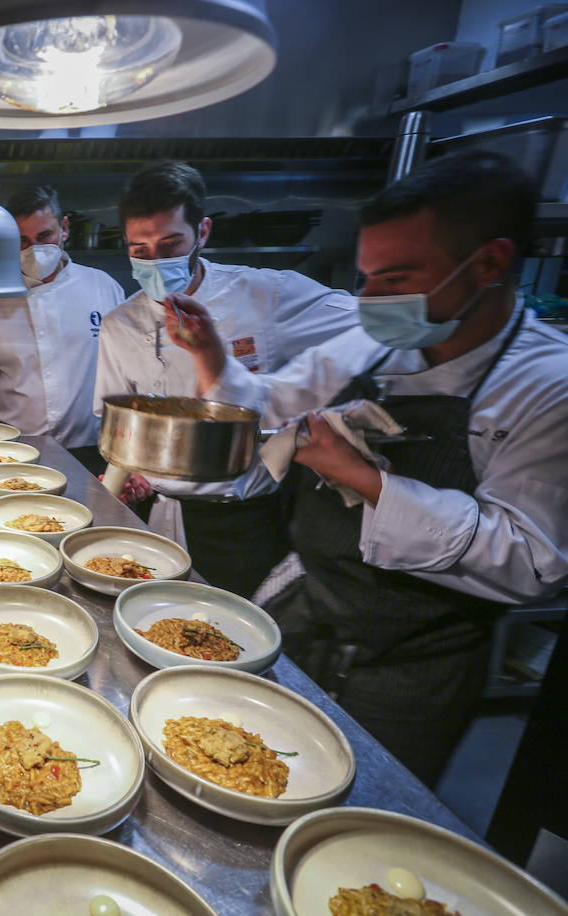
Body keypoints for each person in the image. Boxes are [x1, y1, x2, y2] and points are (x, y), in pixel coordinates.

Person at [162, 150, 568, 784]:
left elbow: (531, 561)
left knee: (367, 804)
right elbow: (271, 404)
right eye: (367, 277)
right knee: (254, 771)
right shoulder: (376, 339)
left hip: (413, 663)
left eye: (396, 279)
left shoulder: (547, 386)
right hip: (308, 607)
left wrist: (364, 477)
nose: (372, 299)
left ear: (489, 263)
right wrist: (212, 357)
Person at [93, 161, 357, 598]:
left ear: (204, 232)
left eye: (171, 244)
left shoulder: (267, 295)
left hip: (246, 519)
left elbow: (371, 325)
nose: (155, 261)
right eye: (139, 250)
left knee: (238, 645)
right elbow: (119, 428)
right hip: (160, 516)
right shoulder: (120, 324)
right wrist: (125, 481)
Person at [0, 185, 125, 468]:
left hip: (95, 449)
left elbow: (127, 378)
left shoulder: (103, 288)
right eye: (22, 240)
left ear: (64, 228)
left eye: (44, 236)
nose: (34, 249)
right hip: (15, 450)